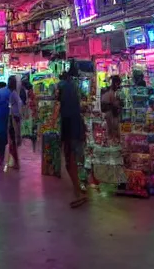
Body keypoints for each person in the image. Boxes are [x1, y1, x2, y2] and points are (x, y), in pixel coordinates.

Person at [58, 65, 88, 208]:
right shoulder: (75, 89)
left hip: (69, 127)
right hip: (77, 127)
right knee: (76, 159)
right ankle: (79, 189)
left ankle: (78, 191)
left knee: (70, 161)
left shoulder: (63, 87)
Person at [6, 76, 22, 170]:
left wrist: (15, 112)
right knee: (13, 140)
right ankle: (14, 161)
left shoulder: (13, 93)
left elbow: (19, 103)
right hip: (15, 117)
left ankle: (16, 162)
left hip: (13, 118)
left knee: (13, 140)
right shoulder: (13, 93)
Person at [101, 75, 123, 142]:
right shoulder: (111, 92)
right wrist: (118, 103)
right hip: (111, 113)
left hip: (110, 113)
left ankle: (111, 142)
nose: (119, 85)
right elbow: (113, 104)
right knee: (112, 131)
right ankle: (112, 143)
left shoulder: (109, 91)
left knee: (111, 131)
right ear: (116, 83)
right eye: (118, 84)